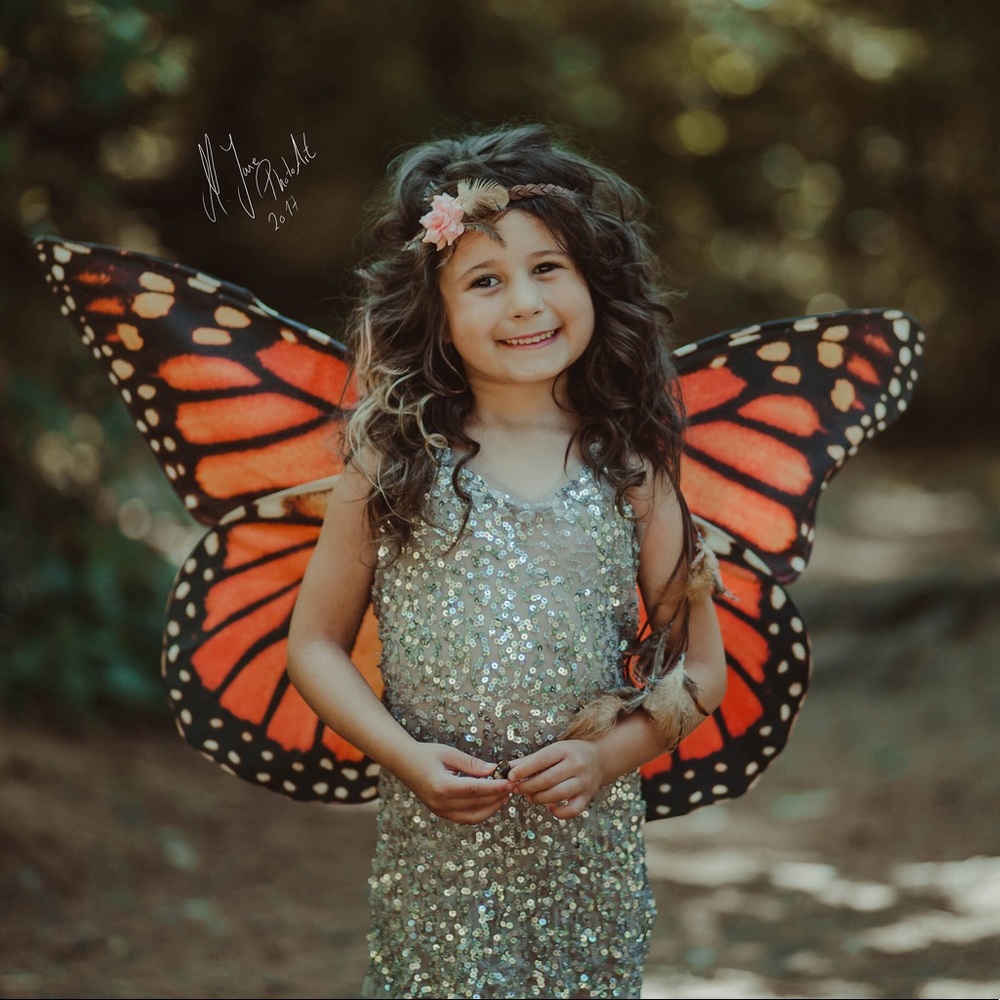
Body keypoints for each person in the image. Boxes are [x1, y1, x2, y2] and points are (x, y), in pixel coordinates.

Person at [286, 123, 727, 1000]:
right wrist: (406, 758)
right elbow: (314, 647)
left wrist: (611, 758)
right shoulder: (390, 463)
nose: (523, 303)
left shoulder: (634, 472)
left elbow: (700, 670)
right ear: (438, 314)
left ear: (594, 282)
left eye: (548, 268)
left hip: (585, 856)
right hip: (434, 854)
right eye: (485, 281)